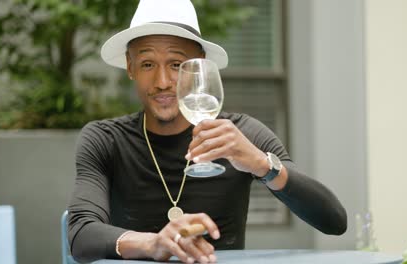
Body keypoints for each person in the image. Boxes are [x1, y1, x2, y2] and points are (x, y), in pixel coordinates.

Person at [67, 0, 347, 263]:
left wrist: (262, 164)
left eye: (177, 65)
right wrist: (154, 244)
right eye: (147, 64)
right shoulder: (105, 139)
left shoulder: (240, 133)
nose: (162, 81)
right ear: (130, 67)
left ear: (200, 66)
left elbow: (334, 221)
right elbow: (81, 234)